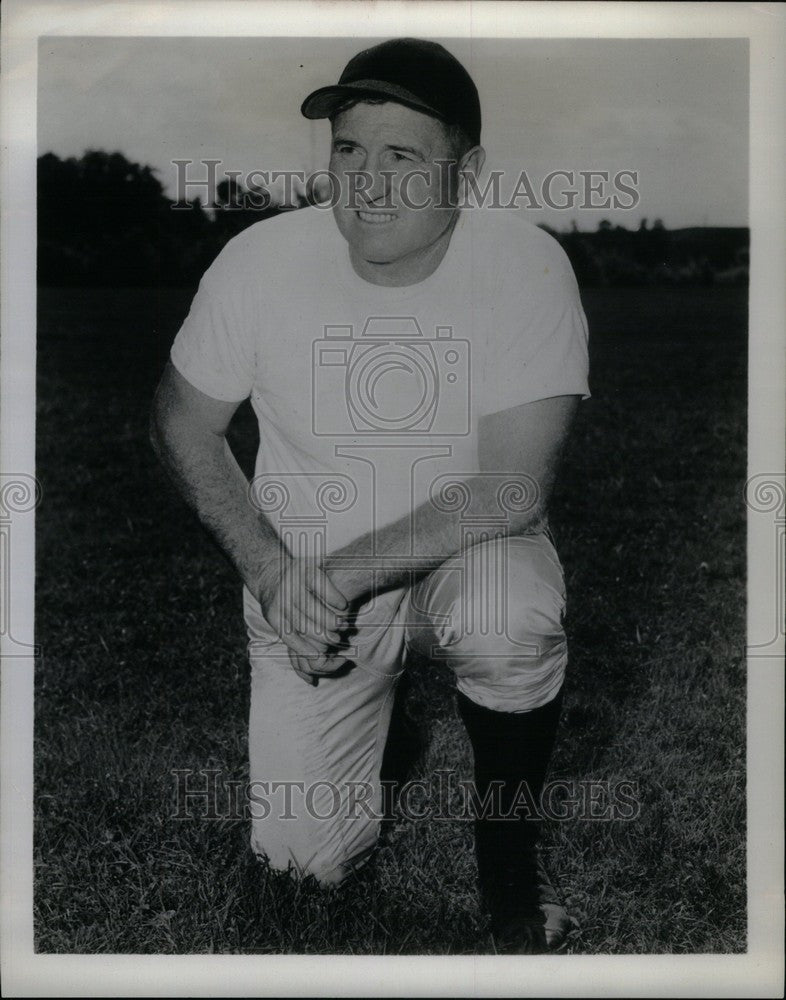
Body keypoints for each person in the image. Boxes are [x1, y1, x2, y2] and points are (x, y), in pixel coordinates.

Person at [150, 37, 590, 954]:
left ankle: (508, 877)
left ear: (467, 173)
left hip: (463, 557)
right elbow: (182, 424)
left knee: (512, 617)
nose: (369, 182)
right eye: (349, 150)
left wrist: (332, 577)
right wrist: (274, 572)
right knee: (299, 869)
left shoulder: (525, 264)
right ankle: (369, 729)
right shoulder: (260, 259)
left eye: (403, 156)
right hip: (307, 583)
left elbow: (509, 487)